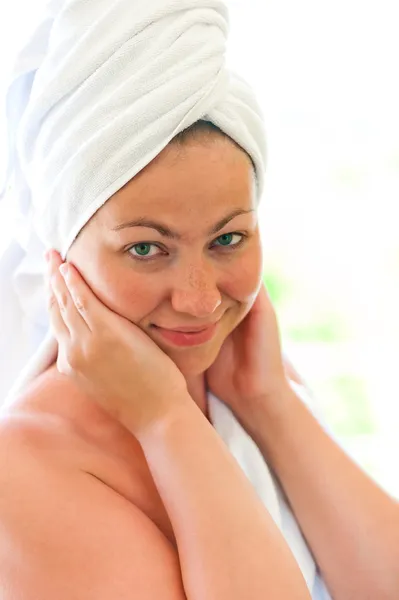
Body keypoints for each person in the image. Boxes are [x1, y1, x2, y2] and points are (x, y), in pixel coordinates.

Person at [0, 2, 398, 599]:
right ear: (64, 254)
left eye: (228, 238)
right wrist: (164, 419)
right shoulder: (25, 466)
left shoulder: (244, 381)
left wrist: (270, 404)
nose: (200, 301)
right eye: (145, 249)